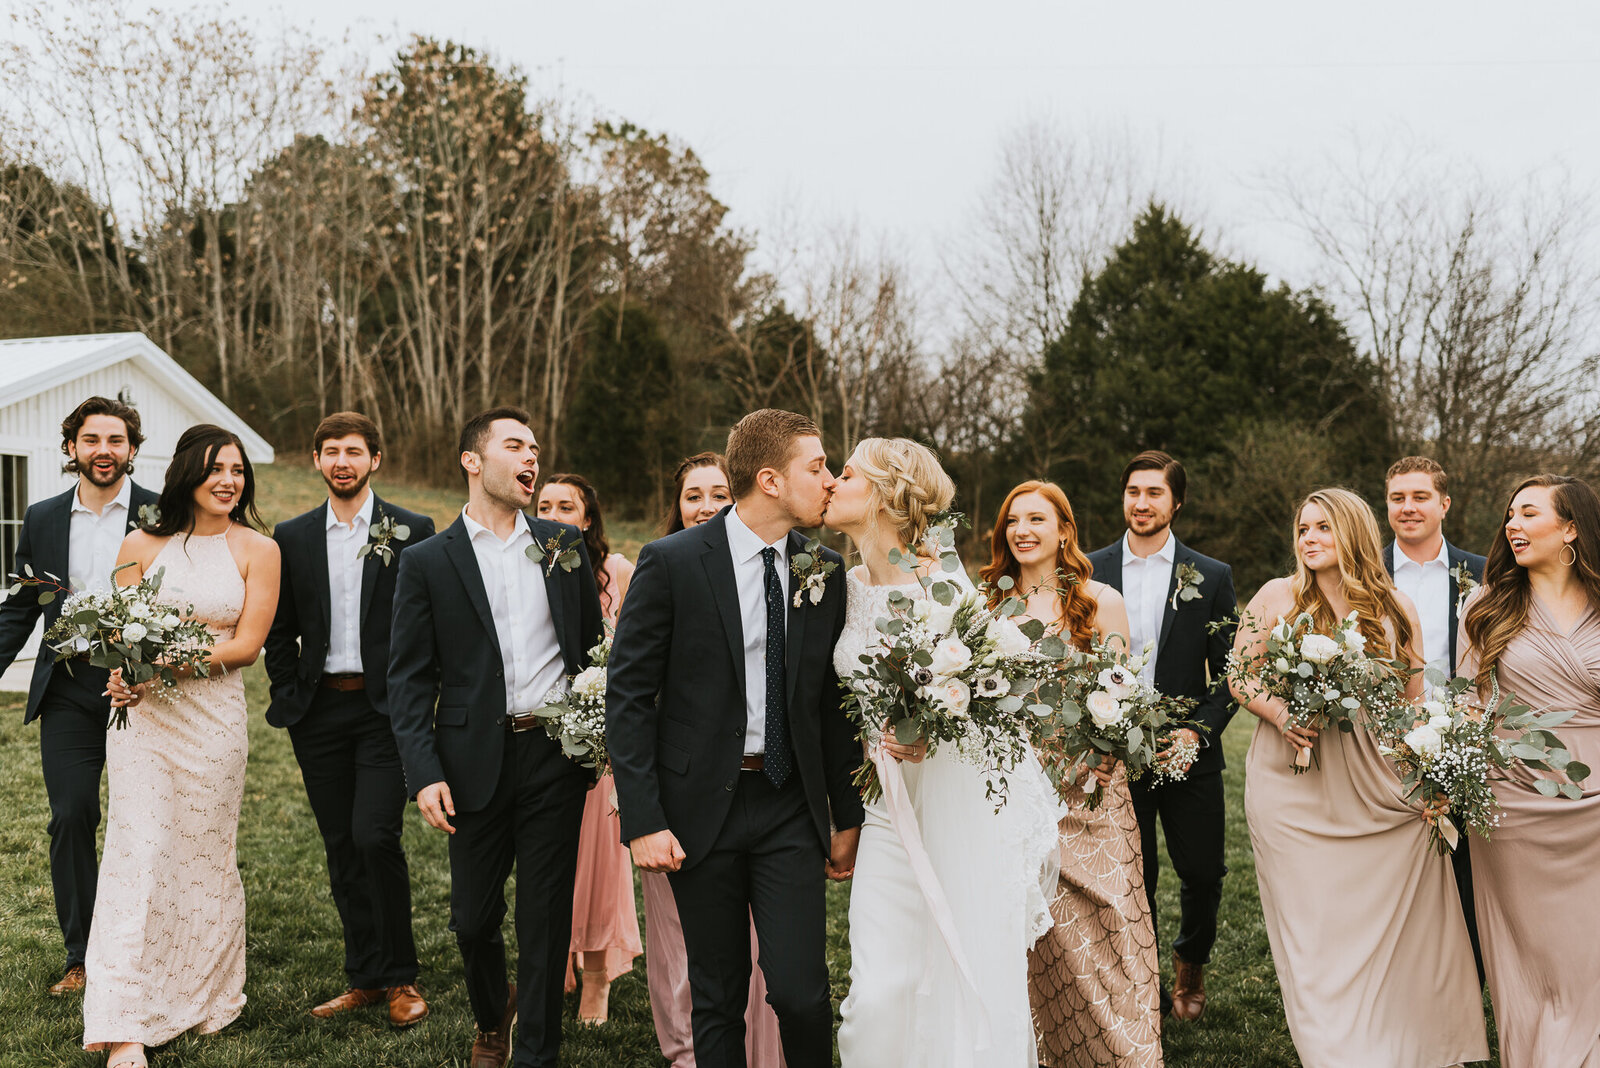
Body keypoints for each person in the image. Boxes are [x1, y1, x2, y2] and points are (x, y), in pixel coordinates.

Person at [608, 410, 864, 1068]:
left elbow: (832, 707)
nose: (830, 481)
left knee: (803, 994)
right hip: (700, 809)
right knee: (717, 996)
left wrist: (847, 815)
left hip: (788, 807)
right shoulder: (671, 563)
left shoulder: (823, 569)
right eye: (818, 467)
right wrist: (643, 816)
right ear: (772, 480)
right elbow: (629, 697)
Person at [1232, 487, 1486, 1067]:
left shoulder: (1395, 606)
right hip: (1291, 787)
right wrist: (1281, 712)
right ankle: (1334, 1052)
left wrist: (1430, 779)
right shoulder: (1276, 595)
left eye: (1323, 528)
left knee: (1384, 925)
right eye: (1303, 529)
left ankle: (1399, 1041)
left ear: (1351, 534)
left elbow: (1413, 703)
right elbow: (1239, 678)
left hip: (1376, 784)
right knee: (1312, 930)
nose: (1310, 539)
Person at [387, 406, 604, 1068]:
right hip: (470, 758)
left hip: (553, 756)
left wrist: (593, 732)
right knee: (473, 919)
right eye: (516, 445)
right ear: (473, 461)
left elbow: (591, 652)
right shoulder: (427, 561)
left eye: (536, 447)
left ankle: (536, 1051)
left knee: (543, 918)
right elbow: (408, 678)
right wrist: (423, 771)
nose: (531, 457)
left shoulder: (564, 547)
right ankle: (492, 1013)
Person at [832, 443, 1062, 1067]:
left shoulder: (942, 588)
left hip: (955, 814)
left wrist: (936, 726)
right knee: (877, 990)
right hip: (885, 811)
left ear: (884, 492)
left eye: (845, 473)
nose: (830, 481)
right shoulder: (842, 585)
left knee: (958, 974)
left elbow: (1002, 685)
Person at [89, 425, 282, 1068]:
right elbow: (119, 636)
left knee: (203, 854)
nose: (228, 479)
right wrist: (123, 671)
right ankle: (124, 1023)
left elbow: (246, 647)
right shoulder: (137, 545)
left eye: (237, 469)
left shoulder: (259, 549)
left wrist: (170, 662)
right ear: (186, 475)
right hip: (145, 724)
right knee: (138, 854)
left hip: (214, 722)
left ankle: (204, 991)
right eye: (214, 468)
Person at [263, 411, 435, 1026]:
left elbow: (425, 627)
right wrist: (288, 689)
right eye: (331, 451)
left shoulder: (413, 530)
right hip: (319, 712)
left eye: (354, 451)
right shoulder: (292, 535)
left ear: (375, 460)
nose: (342, 461)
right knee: (340, 845)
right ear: (316, 460)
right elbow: (279, 628)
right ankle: (364, 976)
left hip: (384, 710)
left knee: (374, 836)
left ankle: (401, 978)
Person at [990, 480, 1163, 1068]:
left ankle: (1126, 1054)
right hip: (1015, 792)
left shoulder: (1099, 600)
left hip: (1091, 792)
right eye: (1013, 520)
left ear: (1065, 530)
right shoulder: (990, 603)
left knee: (1112, 933)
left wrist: (1105, 752)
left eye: (1037, 519)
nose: (1022, 531)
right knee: (1036, 943)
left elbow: (1123, 693)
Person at [0, 397, 158, 997]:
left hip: (142, 692)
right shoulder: (41, 518)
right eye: (91, 440)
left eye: (115, 440)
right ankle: (82, 956)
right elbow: (22, 609)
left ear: (132, 450)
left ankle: (143, 949)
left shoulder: (159, 513)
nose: (104, 451)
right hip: (67, 689)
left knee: (143, 824)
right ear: (72, 448)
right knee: (71, 815)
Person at [637, 452, 786, 1068]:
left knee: (766, 951)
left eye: (718, 491)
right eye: (692, 495)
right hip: (686, 794)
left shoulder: (784, 565)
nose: (706, 504)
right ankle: (689, 1048)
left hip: (766, 792)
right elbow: (635, 692)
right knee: (694, 946)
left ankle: (762, 1047)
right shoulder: (667, 566)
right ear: (677, 506)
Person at [1085, 451, 1236, 1021]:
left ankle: (1190, 963)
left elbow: (1231, 673)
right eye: (1133, 492)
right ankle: (1140, 977)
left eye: (1154, 492)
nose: (1141, 503)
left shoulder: (1213, 575)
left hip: (1187, 752)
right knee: (1134, 874)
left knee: (1202, 872)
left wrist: (1198, 733)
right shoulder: (1090, 569)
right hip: (1114, 752)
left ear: (1177, 501)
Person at [1458, 474, 1600, 1067]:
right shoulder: (1485, 605)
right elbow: (1468, 704)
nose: (1512, 525)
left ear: (1570, 529)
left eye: (1529, 514)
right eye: (1509, 515)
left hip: (1597, 813)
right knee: (1532, 964)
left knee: (1589, 961)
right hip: (1514, 807)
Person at [535, 473, 643, 1025]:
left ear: (586, 518)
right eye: (544, 504)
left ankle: (597, 975)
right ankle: (559, 961)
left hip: (599, 740)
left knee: (600, 862)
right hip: (536, 741)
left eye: (566, 506)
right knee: (551, 860)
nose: (553, 514)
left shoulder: (615, 572)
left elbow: (632, 657)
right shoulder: (524, 567)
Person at [1382, 455, 1487, 982]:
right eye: (1398, 498)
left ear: (1444, 503)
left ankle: (1467, 982)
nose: (1408, 507)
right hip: (1384, 744)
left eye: (1420, 496)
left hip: (1466, 739)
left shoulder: (1486, 572)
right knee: (1396, 870)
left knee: (1467, 870)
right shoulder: (1365, 575)